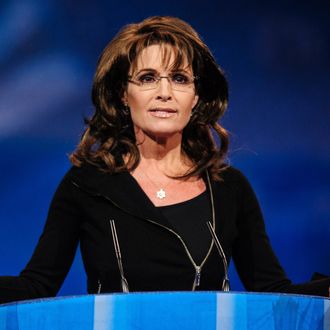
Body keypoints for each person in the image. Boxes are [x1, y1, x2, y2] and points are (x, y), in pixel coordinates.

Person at [0, 16, 329, 304]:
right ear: (122, 95)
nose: (165, 92)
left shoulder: (231, 189)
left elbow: (274, 292)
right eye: (147, 78)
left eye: (180, 79)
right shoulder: (85, 184)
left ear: (195, 97)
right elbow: (37, 285)